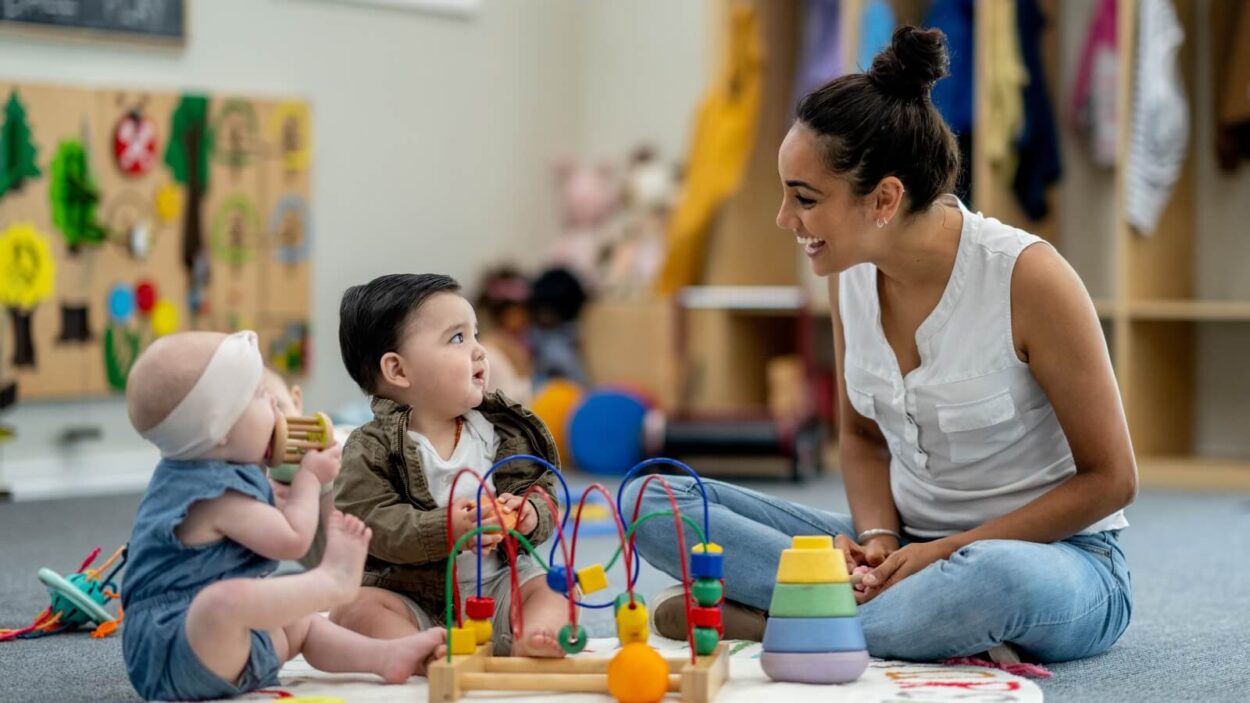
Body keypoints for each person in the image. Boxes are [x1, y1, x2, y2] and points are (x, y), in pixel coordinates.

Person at [626, 27, 1134, 663]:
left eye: (804, 198)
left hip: (1052, 561)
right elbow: (862, 438)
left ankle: (770, 623)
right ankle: (873, 612)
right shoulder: (850, 277)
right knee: (652, 504)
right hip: (903, 547)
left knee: (990, 583)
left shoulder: (1030, 279)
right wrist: (881, 539)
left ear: (885, 199)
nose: (785, 219)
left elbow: (1112, 480)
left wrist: (940, 556)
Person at [121, 330, 444, 701]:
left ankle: (383, 657)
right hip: (178, 648)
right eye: (260, 396)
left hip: (232, 650)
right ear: (220, 428)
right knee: (220, 601)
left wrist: (279, 499)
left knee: (300, 623)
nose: (274, 403)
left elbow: (259, 529)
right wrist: (309, 479)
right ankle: (331, 582)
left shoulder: (211, 474)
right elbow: (292, 540)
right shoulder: (211, 496)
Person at [327, 273, 570, 657]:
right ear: (399, 371)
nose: (479, 351)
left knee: (555, 587)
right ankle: (418, 649)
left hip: (499, 585)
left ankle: (535, 634)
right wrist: (446, 529)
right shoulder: (371, 447)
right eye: (458, 338)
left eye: (475, 334)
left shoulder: (501, 431)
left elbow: (541, 490)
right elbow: (370, 522)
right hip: (412, 596)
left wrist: (529, 514)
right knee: (354, 610)